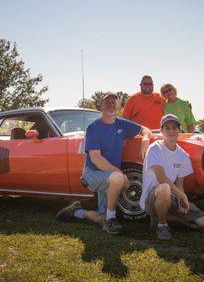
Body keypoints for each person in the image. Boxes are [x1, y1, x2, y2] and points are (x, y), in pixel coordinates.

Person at [55, 92, 152, 235]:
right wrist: (120, 174)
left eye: (114, 101)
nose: (111, 103)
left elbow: (145, 130)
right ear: (101, 105)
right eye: (107, 101)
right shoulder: (93, 128)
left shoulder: (121, 124)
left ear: (118, 105)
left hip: (109, 176)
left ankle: (77, 211)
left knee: (102, 216)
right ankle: (111, 220)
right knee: (118, 178)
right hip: (93, 174)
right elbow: (96, 158)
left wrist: (145, 139)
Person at [140, 114, 204, 240]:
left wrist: (180, 200)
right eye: (167, 128)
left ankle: (161, 218)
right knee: (164, 188)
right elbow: (161, 178)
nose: (171, 131)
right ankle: (162, 226)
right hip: (151, 199)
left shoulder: (183, 155)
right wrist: (181, 195)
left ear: (179, 130)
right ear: (161, 131)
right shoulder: (155, 148)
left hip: (171, 196)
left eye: (174, 128)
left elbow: (180, 184)